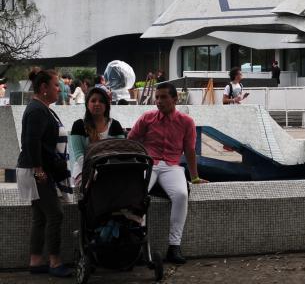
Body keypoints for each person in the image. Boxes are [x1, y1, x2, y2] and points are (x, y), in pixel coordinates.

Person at [128, 82, 206, 264]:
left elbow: (189, 151)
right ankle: (137, 246)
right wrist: (136, 162)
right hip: (148, 163)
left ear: (175, 99)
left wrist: (194, 177)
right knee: (137, 194)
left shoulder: (186, 122)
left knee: (180, 194)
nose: (159, 101)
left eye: (163, 97)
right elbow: (131, 140)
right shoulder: (147, 117)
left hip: (172, 166)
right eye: (157, 97)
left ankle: (174, 246)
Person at [16, 70, 72, 277]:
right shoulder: (38, 110)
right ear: (44, 88)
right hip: (35, 171)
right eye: (56, 85)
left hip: (35, 169)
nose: (60, 89)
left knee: (40, 217)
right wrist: (39, 171)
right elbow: (31, 142)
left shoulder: (41, 108)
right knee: (55, 214)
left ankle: (36, 261)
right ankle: (55, 262)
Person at [68, 87, 125, 185]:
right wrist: (94, 170)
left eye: (101, 101)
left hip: (110, 169)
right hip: (84, 170)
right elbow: (79, 155)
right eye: (93, 100)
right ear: (87, 104)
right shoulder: (79, 125)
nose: (97, 104)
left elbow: (121, 151)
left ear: (106, 105)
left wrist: (106, 170)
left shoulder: (115, 125)